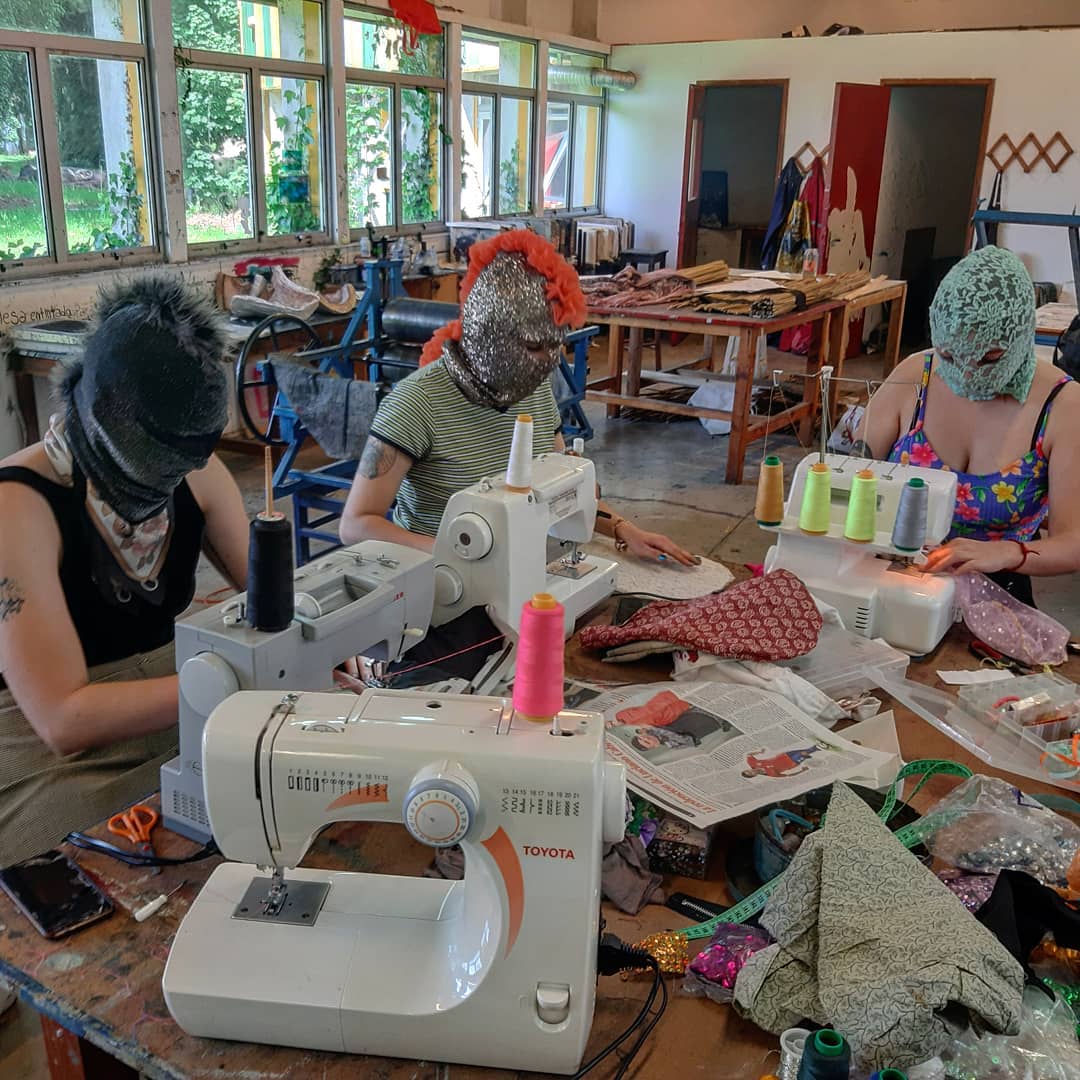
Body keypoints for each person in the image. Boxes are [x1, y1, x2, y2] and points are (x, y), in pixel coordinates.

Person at [339, 230, 693, 683]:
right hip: (446, 601)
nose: (548, 362)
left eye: (556, 346)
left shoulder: (536, 391)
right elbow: (357, 524)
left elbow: (563, 491)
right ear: (488, 331)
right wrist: (463, 559)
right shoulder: (414, 404)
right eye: (534, 346)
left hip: (525, 578)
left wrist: (624, 529)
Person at [0, 276, 250, 864]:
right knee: (100, 852)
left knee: (246, 790)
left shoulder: (196, 472)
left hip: (169, 696)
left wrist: (320, 636)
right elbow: (63, 720)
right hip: (44, 745)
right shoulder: (16, 508)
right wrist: (240, 682)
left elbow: (276, 601)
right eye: (151, 471)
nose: (168, 487)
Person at [856, 245, 1080, 607]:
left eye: (989, 358)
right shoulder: (914, 377)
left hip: (996, 591)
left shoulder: (1064, 407)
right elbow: (844, 476)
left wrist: (1009, 553)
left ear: (1024, 335)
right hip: (891, 575)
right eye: (948, 355)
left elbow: (1073, 543)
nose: (965, 373)